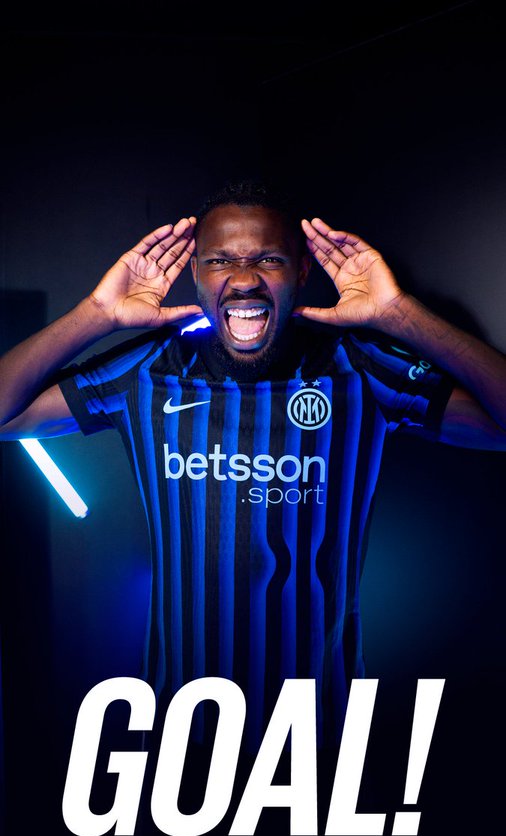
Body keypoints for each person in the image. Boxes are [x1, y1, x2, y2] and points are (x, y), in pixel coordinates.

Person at [0, 181, 505, 756]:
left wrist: (399, 316)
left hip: (325, 742)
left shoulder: (359, 369)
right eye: (220, 260)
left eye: (268, 258)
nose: (244, 279)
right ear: (195, 273)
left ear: (303, 271)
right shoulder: (147, 370)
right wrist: (95, 315)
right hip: (179, 742)